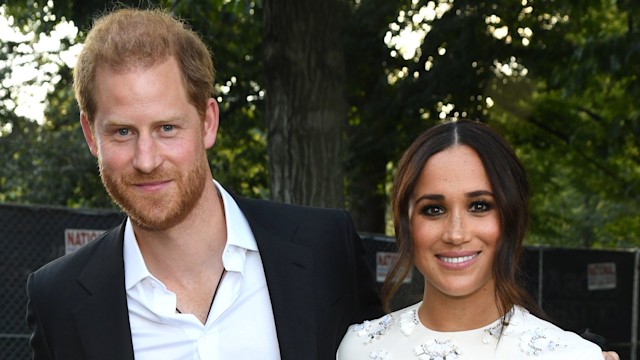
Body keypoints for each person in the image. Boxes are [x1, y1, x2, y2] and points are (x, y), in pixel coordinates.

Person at [25, 8, 382, 360]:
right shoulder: (57, 300)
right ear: (91, 136)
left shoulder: (326, 248)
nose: (146, 160)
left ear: (208, 122)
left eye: (167, 128)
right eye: (122, 132)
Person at [337, 120, 618, 359]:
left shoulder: (571, 355)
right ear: (406, 224)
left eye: (479, 206)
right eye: (433, 209)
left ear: (512, 217)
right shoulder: (357, 349)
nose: (456, 234)